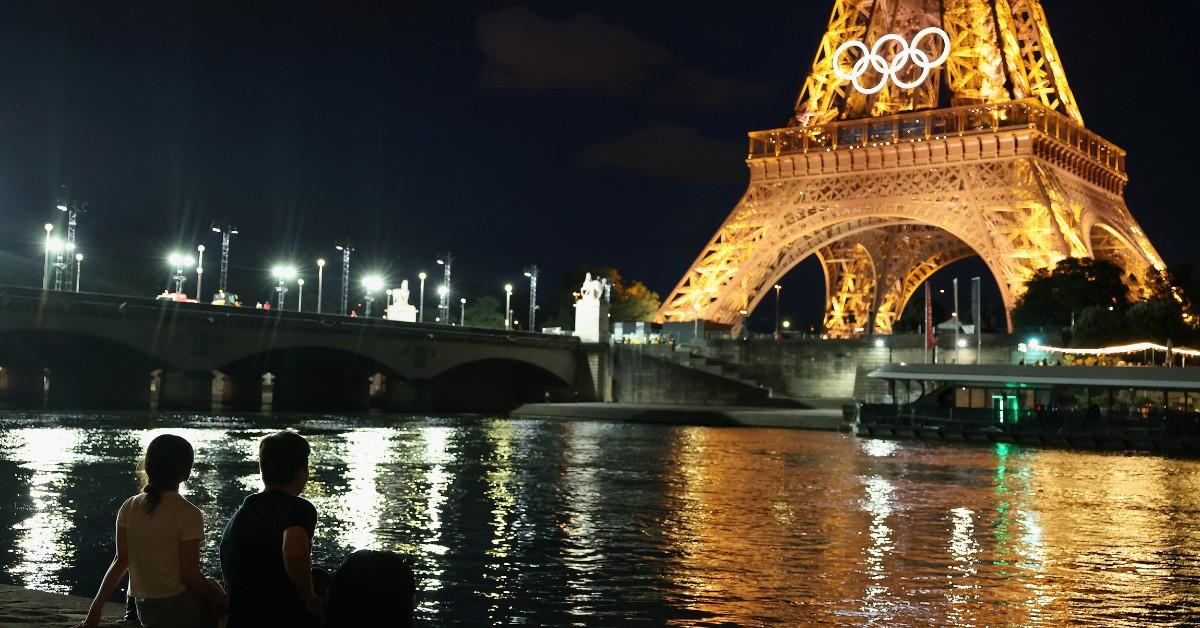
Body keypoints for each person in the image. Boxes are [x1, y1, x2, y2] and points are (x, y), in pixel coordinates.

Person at [76, 434, 226, 628]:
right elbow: (189, 576)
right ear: (186, 472)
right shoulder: (189, 513)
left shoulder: (128, 507)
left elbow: (121, 561)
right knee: (216, 593)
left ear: (148, 466)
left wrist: (95, 611)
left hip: (144, 611)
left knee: (211, 586)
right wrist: (226, 601)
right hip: (178, 612)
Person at [221, 431, 324, 627]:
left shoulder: (243, 512)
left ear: (262, 470)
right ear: (303, 471)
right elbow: (293, 552)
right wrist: (310, 599)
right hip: (277, 617)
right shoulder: (298, 508)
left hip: (240, 618)